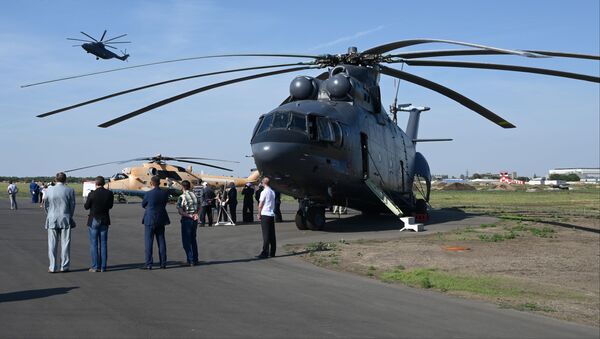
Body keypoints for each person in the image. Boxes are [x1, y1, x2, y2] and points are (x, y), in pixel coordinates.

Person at [44, 172, 76, 273]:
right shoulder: (70, 190)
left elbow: (46, 205)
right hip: (65, 218)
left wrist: (49, 214)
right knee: (65, 243)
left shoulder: (49, 190)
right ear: (65, 179)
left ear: (55, 179)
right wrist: (69, 215)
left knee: (52, 243)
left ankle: (52, 267)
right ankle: (64, 266)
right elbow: (72, 206)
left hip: (52, 218)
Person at [84, 176, 114, 272]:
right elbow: (110, 206)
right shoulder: (109, 193)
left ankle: (95, 266)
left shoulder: (92, 194)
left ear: (96, 184)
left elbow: (86, 207)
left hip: (94, 219)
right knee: (103, 244)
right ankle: (103, 266)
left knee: (94, 244)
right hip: (104, 219)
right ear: (103, 183)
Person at [142, 176, 170, 269]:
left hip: (150, 219)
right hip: (161, 219)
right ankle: (163, 263)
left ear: (151, 183)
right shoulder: (164, 193)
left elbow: (143, 204)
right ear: (159, 183)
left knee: (149, 242)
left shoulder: (148, 193)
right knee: (161, 241)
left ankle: (149, 264)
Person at [177, 180, 199, 266]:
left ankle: (190, 260)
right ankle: (195, 258)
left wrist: (188, 215)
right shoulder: (195, 195)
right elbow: (200, 206)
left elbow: (180, 210)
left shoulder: (182, 197)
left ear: (182, 187)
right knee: (193, 239)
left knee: (186, 240)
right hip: (195, 218)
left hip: (187, 219)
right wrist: (196, 214)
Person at [256, 177, 276, 259]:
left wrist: (259, 214)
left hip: (265, 214)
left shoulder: (264, 192)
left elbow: (260, 204)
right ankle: (272, 252)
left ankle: (265, 252)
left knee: (266, 234)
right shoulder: (272, 192)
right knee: (272, 234)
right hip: (271, 214)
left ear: (263, 183)